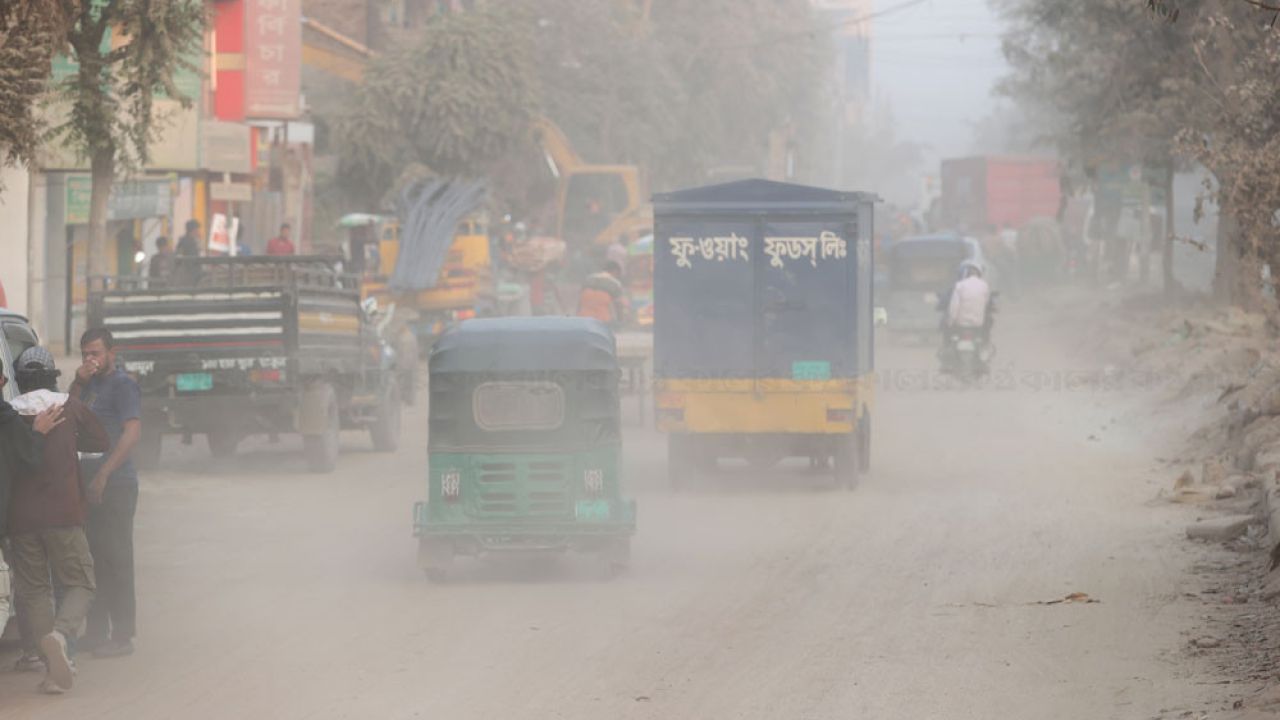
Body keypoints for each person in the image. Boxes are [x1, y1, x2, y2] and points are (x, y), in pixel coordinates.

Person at [10, 347, 108, 694]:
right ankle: (62, 634)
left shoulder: (9, 414)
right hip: (63, 513)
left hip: (19, 520)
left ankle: (53, 672)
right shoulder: (68, 406)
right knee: (82, 582)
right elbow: (100, 439)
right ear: (53, 376)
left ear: (18, 380)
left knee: (36, 591)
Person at [69, 328, 141, 658]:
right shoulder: (89, 385)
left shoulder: (123, 385)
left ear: (112, 352)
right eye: (85, 353)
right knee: (93, 558)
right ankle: (96, 631)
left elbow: (131, 433)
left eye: (95, 352)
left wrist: (104, 475)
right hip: (88, 481)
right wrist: (79, 380)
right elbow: (67, 413)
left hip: (117, 483)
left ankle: (122, 635)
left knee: (117, 559)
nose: (90, 359)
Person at [577, 260, 630, 328]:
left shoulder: (589, 279)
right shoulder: (615, 283)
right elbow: (619, 305)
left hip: (583, 318)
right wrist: (620, 321)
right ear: (615, 271)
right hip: (601, 321)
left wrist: (577, 318)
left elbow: (580, 302)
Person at [946, 261, 992, 336]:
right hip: (978, 323)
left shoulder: (959, 285)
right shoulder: (984, 286)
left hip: (960, 323)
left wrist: (950, 322)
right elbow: (986, 303)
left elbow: (954, 307)